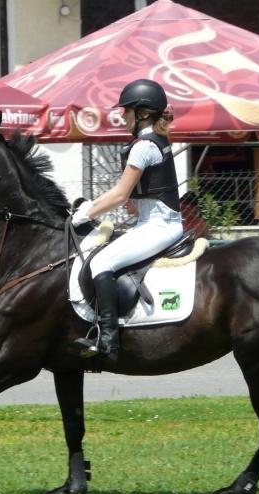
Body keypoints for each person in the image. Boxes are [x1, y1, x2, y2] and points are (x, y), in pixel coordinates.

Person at [71, 79, 183, 361]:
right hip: (153, 222)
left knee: (100, 263)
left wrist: (86, 213)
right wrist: (94, 205)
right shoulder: (150, 141)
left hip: (159, 226)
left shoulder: (143, 146)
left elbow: (121, 195)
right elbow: (132, 200)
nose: (122, 115)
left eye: (127, 110)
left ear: (143, 113)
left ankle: (108, 340)